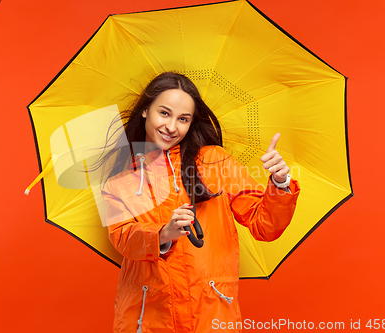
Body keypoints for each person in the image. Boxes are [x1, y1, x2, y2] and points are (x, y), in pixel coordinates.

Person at [101, 72, 300, 333]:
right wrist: (163, 233)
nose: (172, 126)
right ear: (145, 111)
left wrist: (280, 182)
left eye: (183, 119)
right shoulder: (120, 183)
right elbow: (122, 237)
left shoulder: (214, 162)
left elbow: (264, 225)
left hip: (210, 312)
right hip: (149, 317)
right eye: (164, 113)